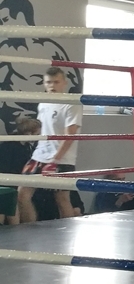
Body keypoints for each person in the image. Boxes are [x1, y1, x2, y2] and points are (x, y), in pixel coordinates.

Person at [17, 67, 82, 223]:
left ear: (64, 83)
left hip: (62, 158)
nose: (52, 86)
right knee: (22, 194)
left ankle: (67, 235)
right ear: (44, 84)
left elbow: (70, 135)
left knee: (62, 198)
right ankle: (29, 232)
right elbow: (44, 129)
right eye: (49, 82)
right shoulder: (43, 103)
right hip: (39, 155)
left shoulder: (71, 104)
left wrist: (55, 160)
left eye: (56, 82)